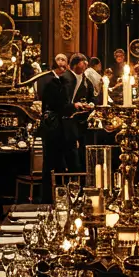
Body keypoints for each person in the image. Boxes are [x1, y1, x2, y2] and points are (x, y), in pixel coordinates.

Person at [39, 56, 72, 201]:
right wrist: (73, 107)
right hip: (56, 129)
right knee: (57, 164)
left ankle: (49, 196)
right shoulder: (55, 86)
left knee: (50, 164)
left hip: (50, 128)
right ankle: (57, 196)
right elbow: (62, 107)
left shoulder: (49, 84)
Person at [61, 52, 96, 172]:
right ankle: (73, 176)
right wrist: (73, 105)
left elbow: (92, 96)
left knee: (82, 149)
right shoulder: (65, 77)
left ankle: (81, 174)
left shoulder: (86, 79)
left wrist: (91, 104)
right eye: (83, 62)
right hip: (66, 119)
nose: (86, 65)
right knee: (71, 151)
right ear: (75, 64)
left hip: (81, 119)